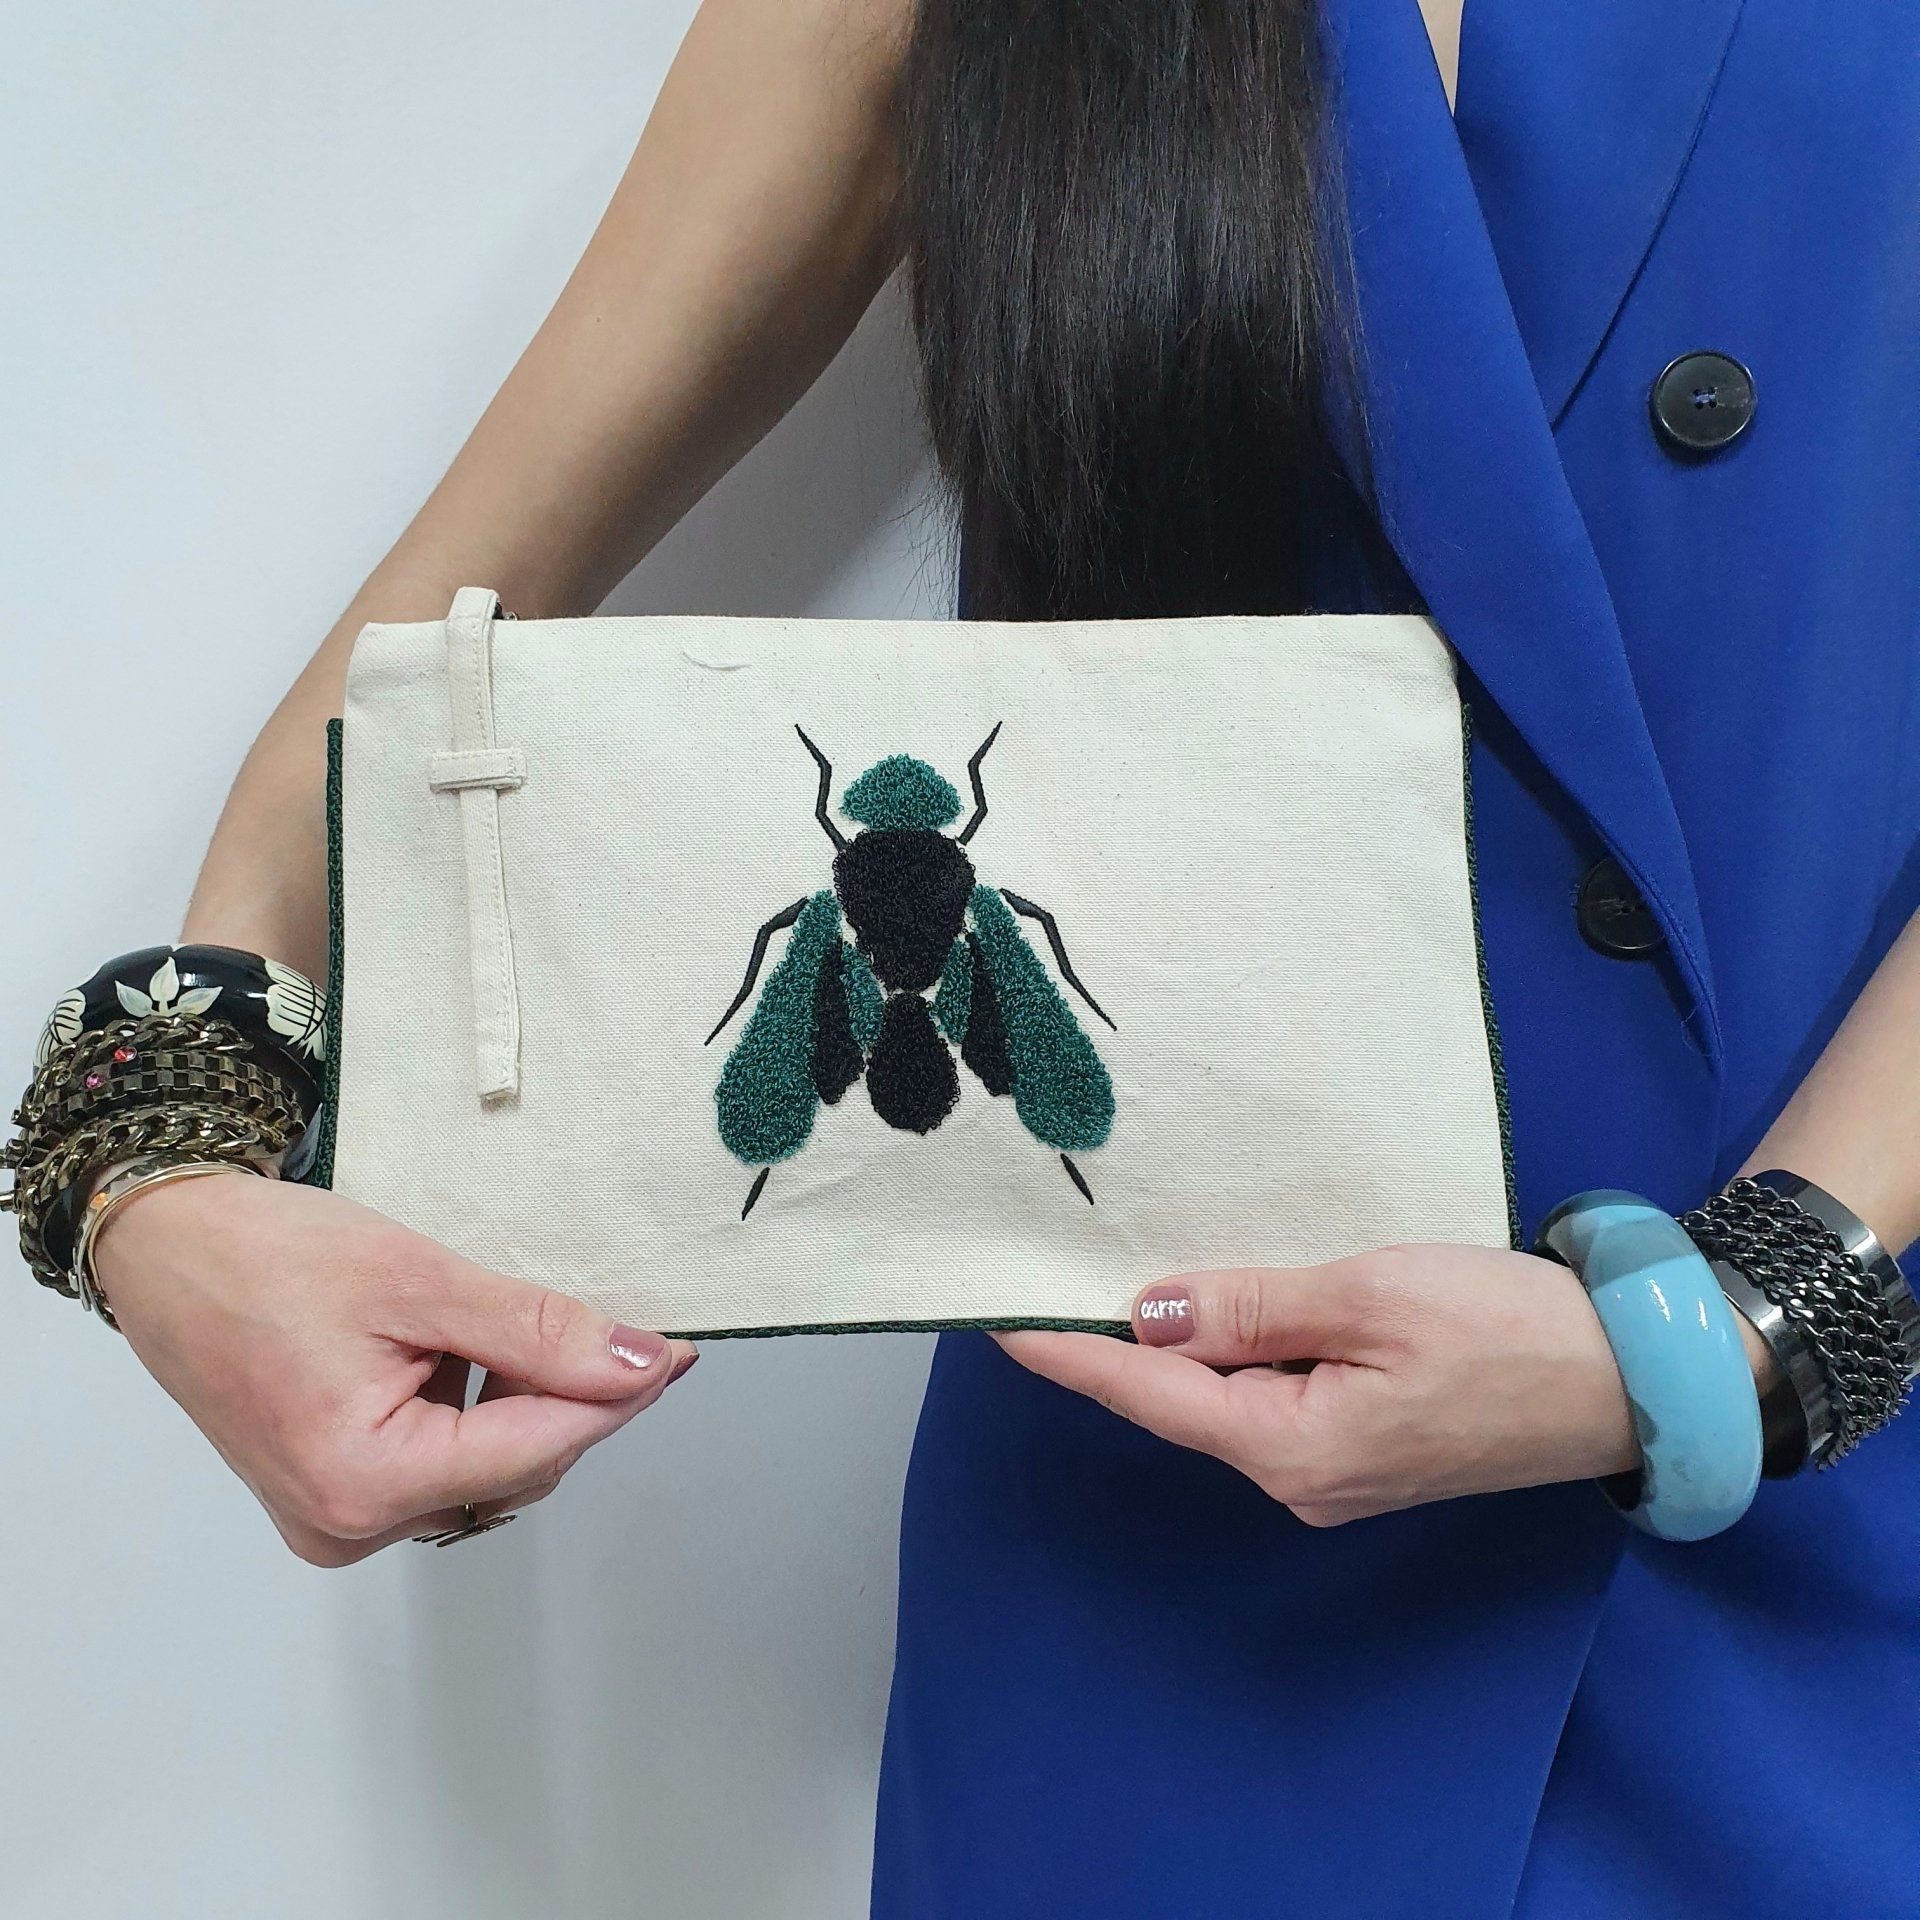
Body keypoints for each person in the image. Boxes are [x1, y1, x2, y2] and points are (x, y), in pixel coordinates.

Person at [22, 0, 1920, 1912]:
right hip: (1165, 1553)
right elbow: (421, 679)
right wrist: (154, 1181)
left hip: (1833, 1481)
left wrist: (1742, 1330)